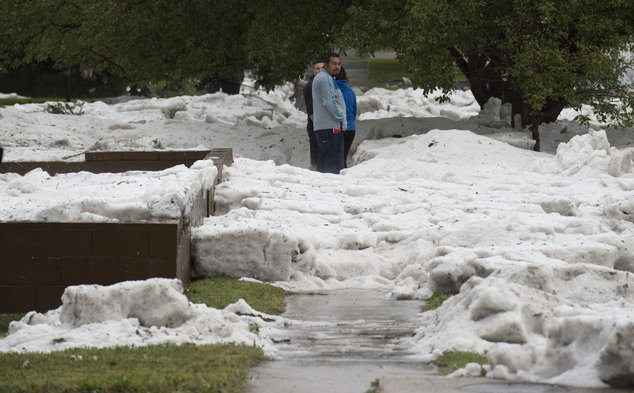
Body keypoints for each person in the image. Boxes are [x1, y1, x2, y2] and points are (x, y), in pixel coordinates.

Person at [312, 53, 347, 174]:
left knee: (323, 164)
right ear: (326, 65)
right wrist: (340, 117)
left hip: (324, 127)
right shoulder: (325, 79)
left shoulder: (325, 78)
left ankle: (321, 190)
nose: (337, 66)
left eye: (339, 63)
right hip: (330, 128)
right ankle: (334, 191)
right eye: (334, 64)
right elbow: (329, 102)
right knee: (333, 165)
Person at [302, 60, 325, 171]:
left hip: (326, 126)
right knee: (315, 157)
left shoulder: (327, 85)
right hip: (316, 127)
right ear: (313, 71)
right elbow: (312, 113)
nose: (320, 71)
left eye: (322, 68)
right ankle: (311, 179)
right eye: (318, 68)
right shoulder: (309, 87)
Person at [335, 66, 357, 168]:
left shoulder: (333, 92)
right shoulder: (351, 92)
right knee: (343, 156)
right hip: (351, 128)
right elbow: (354, 112)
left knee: (337, 157)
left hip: (338, 128)